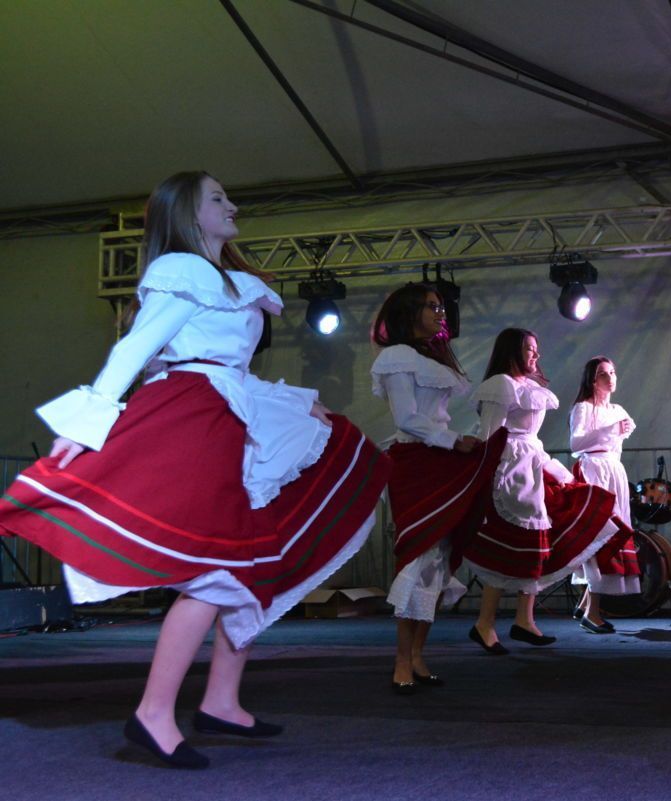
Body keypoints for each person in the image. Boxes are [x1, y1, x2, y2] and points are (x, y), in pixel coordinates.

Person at [0, 172, 391, 769]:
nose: (232, 205)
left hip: (229, 412)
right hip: (194, 415)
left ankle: (221, 700)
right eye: (217, 198)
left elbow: (227, 365)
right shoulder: (180, 272)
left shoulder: (226, 280)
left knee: (253, 557)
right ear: (186, 212)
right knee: (217, 568)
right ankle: (154, 713)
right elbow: (135, 349)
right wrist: (83, 424)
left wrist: (294, 401)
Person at [370, 283, 506, 693]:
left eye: (441, 306)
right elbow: (408, 418)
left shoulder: (432, 356)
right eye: (431, 306)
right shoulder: (396, 357)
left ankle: (417, 657)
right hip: (416, 462)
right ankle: (401, 660)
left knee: (438, 560)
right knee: (417, 556)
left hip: (440, 458)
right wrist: (453, 441)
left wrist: (458, 441)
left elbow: (435, 418)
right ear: (409, 311)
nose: (439, 313)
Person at [461, 328, 623, 653]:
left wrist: (557, 472)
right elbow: (491, 435)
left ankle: (524, 618)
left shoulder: (529, 387)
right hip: (508, 473)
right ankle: (485, 623)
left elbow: (533, 441)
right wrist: (486, 475)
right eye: (530, 349)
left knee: (535, 546)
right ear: (513, 351)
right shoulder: (501, 386)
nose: (536, 355)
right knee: (508, 549)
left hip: (530, 467)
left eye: (536, 349)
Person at [568, 356, 641, 633]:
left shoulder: (617, 409)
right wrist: (610, 430)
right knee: (598, 535)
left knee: (612, 534)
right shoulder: (583, 408)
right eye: (602, 374)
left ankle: (587, 605)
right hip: (594, 470)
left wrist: (618, 434)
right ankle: (592, 610)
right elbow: (577, 443)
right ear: (592, 379)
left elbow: (615, 447)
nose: (610, 378)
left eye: (612, 372)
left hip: (613, 471)